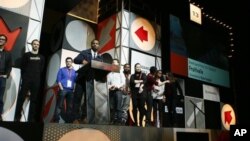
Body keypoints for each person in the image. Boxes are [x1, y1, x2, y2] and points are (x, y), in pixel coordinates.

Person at [72, 39, 103, 124]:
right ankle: (75, 118)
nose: (95, 45)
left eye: (97, 43)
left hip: (91, 81)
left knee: (88, 101)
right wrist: (83, 61)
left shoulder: (100, 57)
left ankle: (84, 117)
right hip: (81, 80)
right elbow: (75, 59)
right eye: (94, 43)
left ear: (99, 46)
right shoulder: (85, 52)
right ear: (91, 45)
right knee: (77, 99)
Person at [15, 39, 45, 122]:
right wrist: (25, 77)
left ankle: (31, 118)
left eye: (37, 44)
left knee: (34, 99)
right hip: (26, 79)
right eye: (34, 44)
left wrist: (36, 77)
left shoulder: (41, 57)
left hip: (36, 80)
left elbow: (41, 69)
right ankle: (17, 116)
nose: (36, 45)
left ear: (39, 46)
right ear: (32, 45)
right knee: (21, 98)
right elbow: (23, 67)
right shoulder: (26, 55)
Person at [53, 57, 77, 123]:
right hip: (63, 89)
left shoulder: (74, 71)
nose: (68, 62)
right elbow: (58, 79)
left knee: (70, 106)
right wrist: (61, 88)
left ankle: (68, 120)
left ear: (72, 62)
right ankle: (56, 119)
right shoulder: (62, 70)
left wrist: (73, 89)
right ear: (65, 62)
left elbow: (75, 81)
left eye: (70, 61)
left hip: (71, 90)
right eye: (67, 61)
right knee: (59, 105)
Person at [107, 59, 129, 125]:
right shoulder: (109, 74)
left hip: (118, 91)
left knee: (118, 106)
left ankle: (119, 121)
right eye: (112, 63)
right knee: (111, 106)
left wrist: (117, 86)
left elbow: (123, 82)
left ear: (118, 64)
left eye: (115, 63)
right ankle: (112, 120)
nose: (113, 64)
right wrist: (110, 86)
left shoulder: (120, 73)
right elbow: (107, 83)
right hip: (111, 91)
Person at [0, 34, 12, 121]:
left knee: (0, 97)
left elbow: (9, 66)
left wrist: (6, 75)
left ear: (5, 42)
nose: (1, 40)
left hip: (2, 77)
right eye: (0, 39)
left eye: (3, 39)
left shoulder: (8, 54)